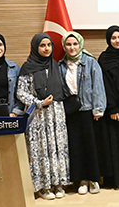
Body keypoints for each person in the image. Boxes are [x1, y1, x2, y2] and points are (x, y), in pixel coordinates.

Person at [16, 33, 70, 200]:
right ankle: (44, 187)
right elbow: (21, 92)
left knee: (57, 147)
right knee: (40, 150)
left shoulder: (55, 65)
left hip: (56, 114)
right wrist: (39, 102)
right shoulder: (27, 67)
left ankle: (59, 183)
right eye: (42, 45)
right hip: (38, 114)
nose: (46, 49)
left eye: (49, 45)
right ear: (35, 47)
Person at [59, 31, 106, 195]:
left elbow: (98, 86)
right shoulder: (60, 65)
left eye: (75, 44)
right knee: (76, 147)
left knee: (90, 146)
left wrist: (98, 108)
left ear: (80, 45)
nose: (72, 47)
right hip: (71, 112)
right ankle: (82, 180)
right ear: (64, 46)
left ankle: (93, 179)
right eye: (68, 44)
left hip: (88, 110)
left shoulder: (90, 62)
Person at [95, 25, 119, 189]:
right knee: (116, 143)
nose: (117, 41)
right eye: (114, 38)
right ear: (108, 40)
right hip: (115, 107)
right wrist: (112, 108)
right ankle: (118, 179)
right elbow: (105, 85)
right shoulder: (104, 59)